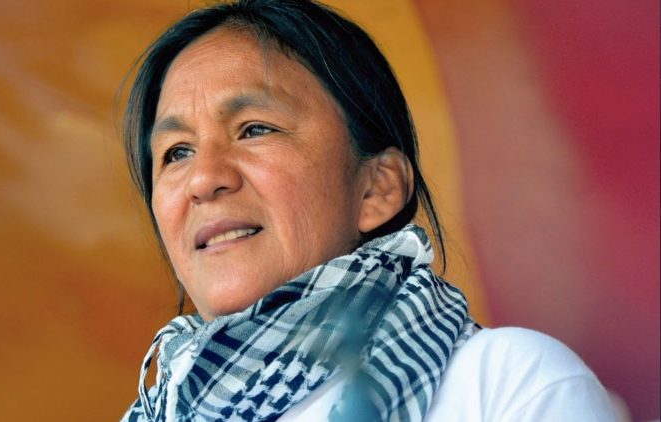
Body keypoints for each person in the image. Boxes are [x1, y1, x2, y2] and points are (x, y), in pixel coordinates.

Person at [119, 0, 617, 420]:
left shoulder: (507, 384)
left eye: (255, 129)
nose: (203, 179)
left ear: (377, 189)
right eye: (176, 153)